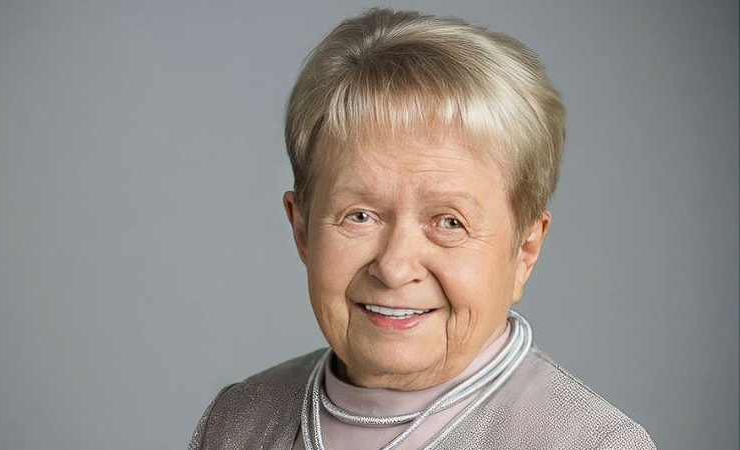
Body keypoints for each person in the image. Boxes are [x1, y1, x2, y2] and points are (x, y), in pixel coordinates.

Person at [188, 7, 656, 450]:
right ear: (302, 231)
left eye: (449, 222)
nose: (394, 268)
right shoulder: (234, 425)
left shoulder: (589, 442)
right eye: (360, 215)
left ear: (525, 250)